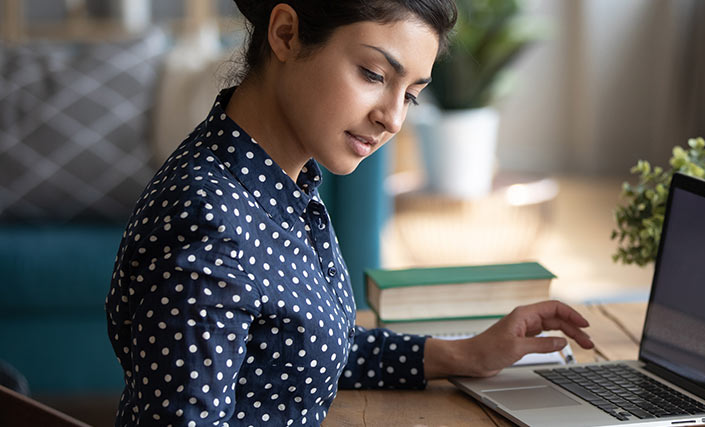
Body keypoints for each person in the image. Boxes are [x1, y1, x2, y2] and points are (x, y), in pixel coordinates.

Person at [104, 1, 594, 425]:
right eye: (374, 75)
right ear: (286, 35)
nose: (393, 117)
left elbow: (302, 352)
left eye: (410, 94)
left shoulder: (281, 185)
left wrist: (466, 353)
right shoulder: (208, 219)